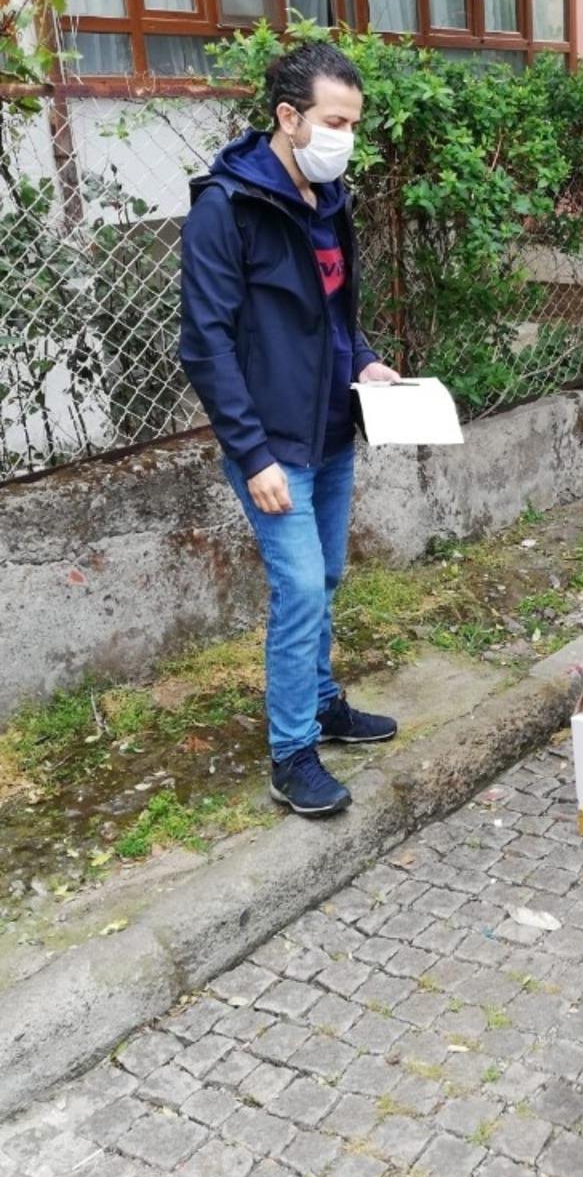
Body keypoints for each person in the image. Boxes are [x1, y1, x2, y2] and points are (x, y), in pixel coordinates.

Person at [180, 41, 400, 819]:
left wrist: (367, 363)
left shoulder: (330, 197)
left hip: (333, 430)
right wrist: (252, 454)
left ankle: (324, 703)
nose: (348, 135)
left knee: (328, 577)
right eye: (335, 120)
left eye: (354, 122)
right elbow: (205, 345)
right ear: (288, 118)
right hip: (272, 447)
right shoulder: (226, 209)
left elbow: (336, 315)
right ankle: (291, 752)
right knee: (301, 586)